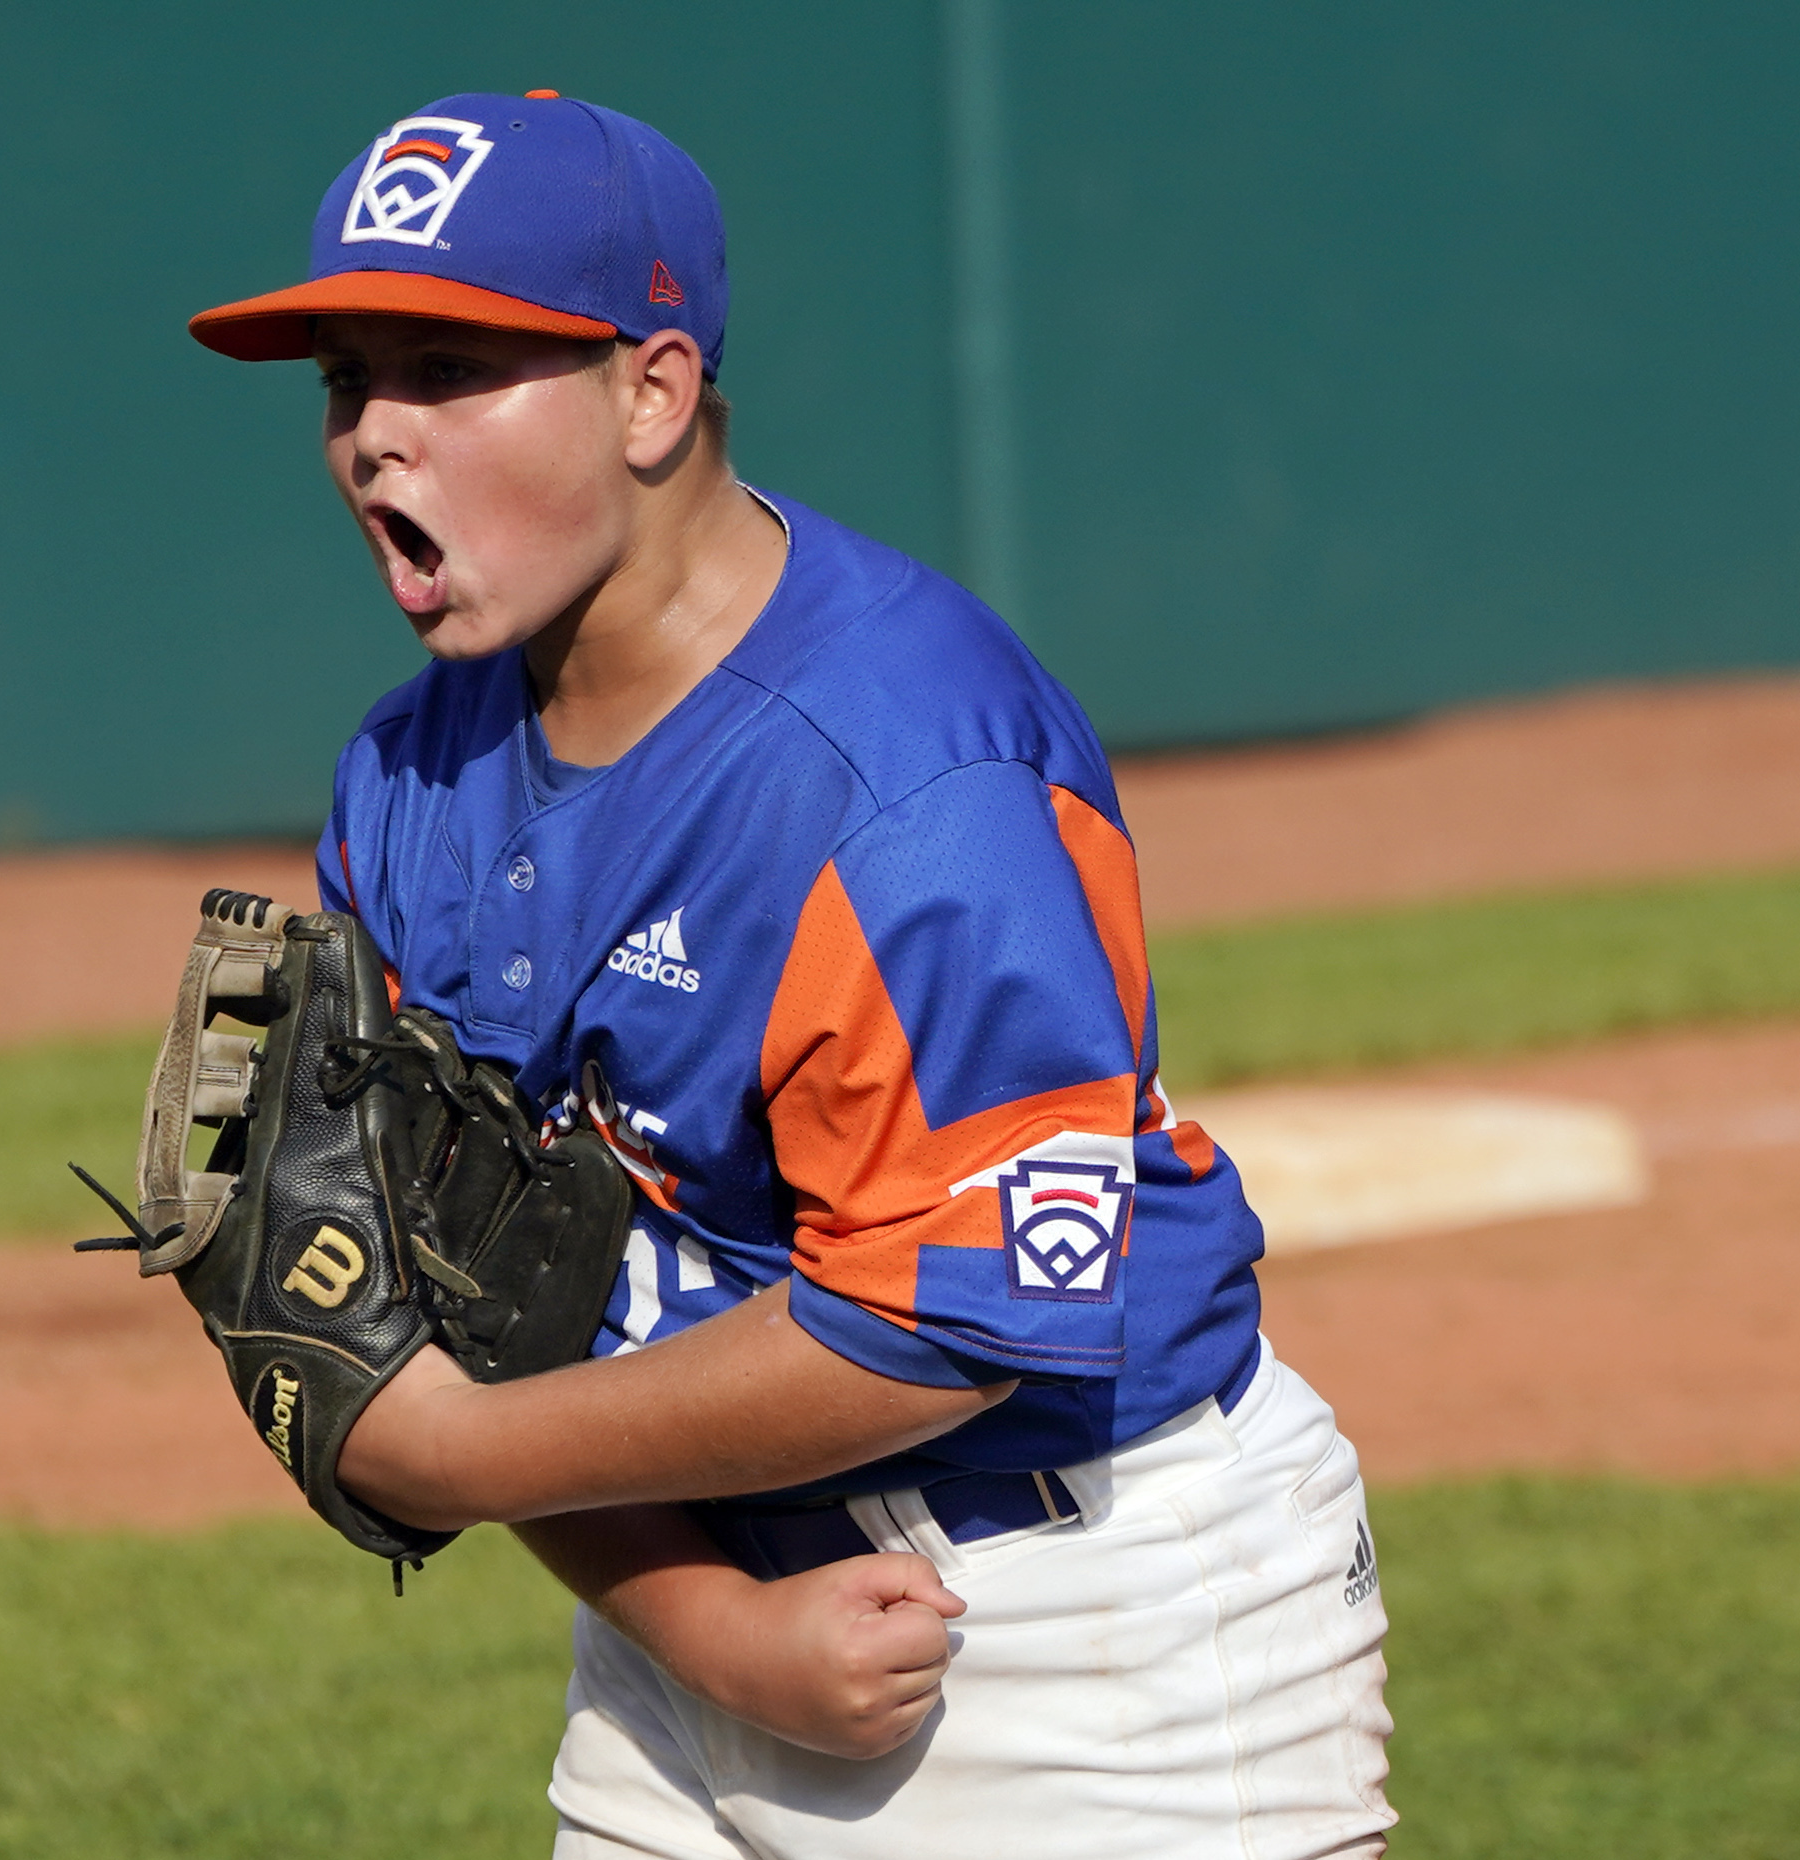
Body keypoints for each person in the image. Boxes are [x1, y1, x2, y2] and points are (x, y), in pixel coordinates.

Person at [187, 90, 1395, 1858]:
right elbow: (487, 1297)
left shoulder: (910, 780)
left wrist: (438, 1459)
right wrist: (703, 1626)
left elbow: (944, 1325)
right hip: (691, 1625)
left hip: (1079, 1640)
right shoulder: (410, 780)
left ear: (653, 393)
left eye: (447, 367)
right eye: (343, 379)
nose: (376, 434)